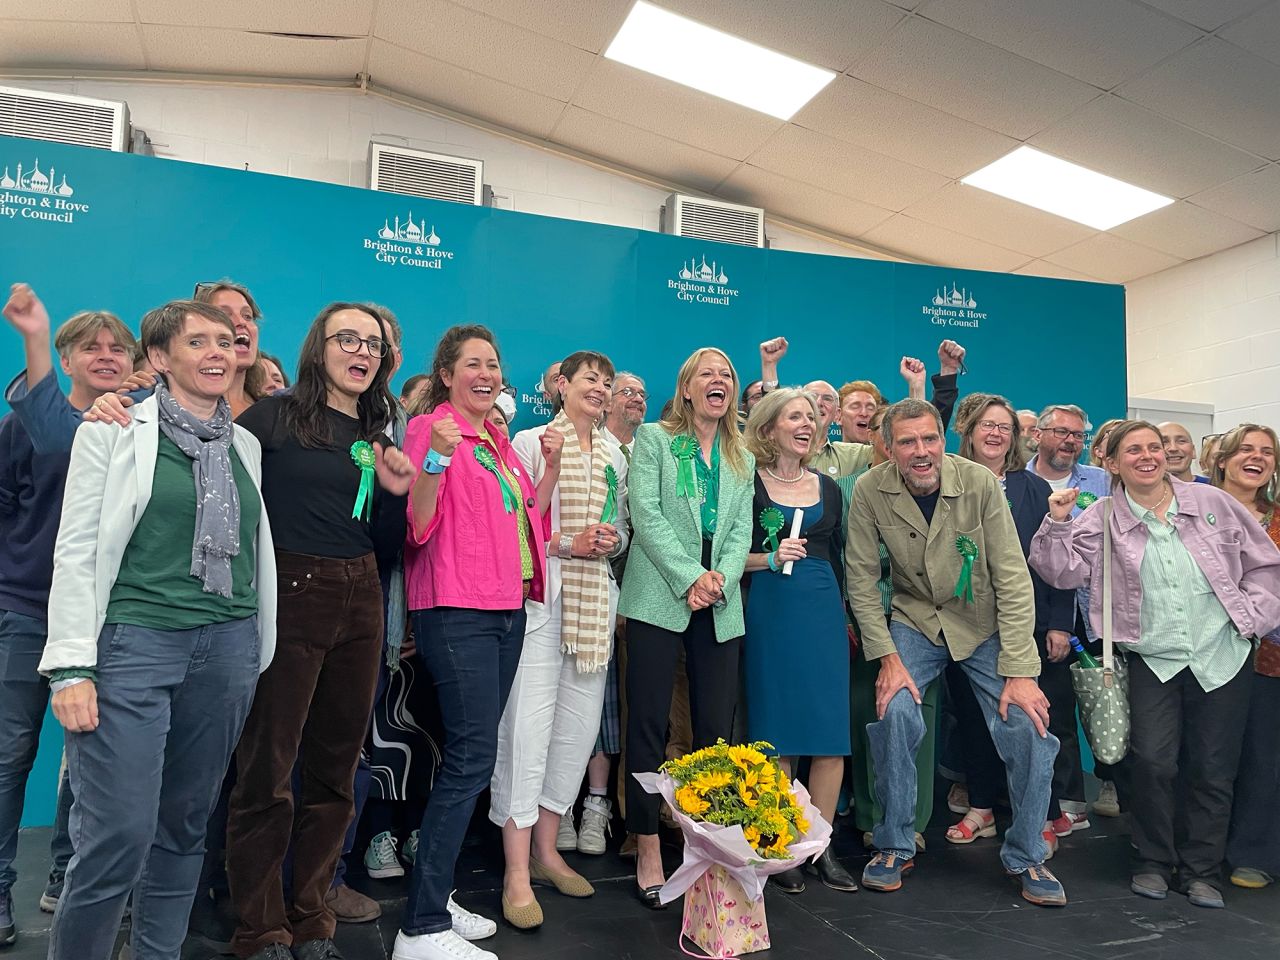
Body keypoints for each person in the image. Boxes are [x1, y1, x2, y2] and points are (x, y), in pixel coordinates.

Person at [38, 299, 277, 959]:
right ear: (161, 359)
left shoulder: (247, 444)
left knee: (183, 829)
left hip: (228, 648)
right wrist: (70, 667)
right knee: (117, 833)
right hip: (134, 647)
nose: (215, 353)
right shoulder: (111, 430)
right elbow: (78, 550)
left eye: (224, 341)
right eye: (195, 341)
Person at [224, 303, 415, 960]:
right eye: (348, 339)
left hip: (363, 599)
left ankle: (311, 916)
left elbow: (386, 544)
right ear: (320, 347)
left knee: (336, 769)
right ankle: (259, 925)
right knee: (269, 768)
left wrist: (399, 492)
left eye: (374, 343)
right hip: (290, 594)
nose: (361, 351)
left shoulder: (377, 433)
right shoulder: (273, 416)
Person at [1030, 420, 1280, 909]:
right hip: (1151, 660)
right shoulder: (1100, 514)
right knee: (1152, 764)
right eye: (1133, 450)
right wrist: (1058, 521)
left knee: (1212, 768)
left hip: (1222, 655)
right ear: (1112, 462)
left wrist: (1250, 619)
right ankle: (1152, 861)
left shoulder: (1214, 504)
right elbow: (1060, 572)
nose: (1147, 457)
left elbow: (1266, 566)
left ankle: (1202, 869)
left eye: (1154, 448)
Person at [846, 398, 1065, 907]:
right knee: (895, 711)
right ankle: (894, 843)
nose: (920, 451)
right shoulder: (869, 491)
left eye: (928, 439)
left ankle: (1027, 853)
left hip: (983, 622)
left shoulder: (980, 482)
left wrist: (1020, 671)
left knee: (1030, 725)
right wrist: (887, 659)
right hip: (915, 619)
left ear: (942, 438)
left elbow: (1011, 576)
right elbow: (860, 579)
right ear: (888, 446)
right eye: (907, 442)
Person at [395, 324, 548, 960]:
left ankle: (437, 896)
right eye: (473, 364)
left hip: (505, 609)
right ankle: (420, 927)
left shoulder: (497, 441)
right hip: (456, 610)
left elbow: (523, 521)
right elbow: (418, 522)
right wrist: (434, 455)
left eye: (494, 364)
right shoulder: (429, 429)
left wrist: (554, 472)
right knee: (469, 759)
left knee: (468, 760)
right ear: (448, 373)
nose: (486, 374)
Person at [0, 285, 136, 947]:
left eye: (118, 348)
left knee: (91, 758)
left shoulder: (138, 424)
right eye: (92, 347)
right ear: (67, 358)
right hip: (27, 609)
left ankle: (65, 875)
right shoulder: (30, 420)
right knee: (11, 754)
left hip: (104, 616)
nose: (106, 357)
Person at [489, 351, 629, 929]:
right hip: (542, 607)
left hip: (595, 611)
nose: (599, 388)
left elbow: (620, 530)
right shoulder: (529, 442)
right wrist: (572, 545)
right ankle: (516, 872)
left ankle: (548, 853)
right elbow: (516, 525)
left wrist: (609, 541)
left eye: (607, 382)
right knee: (526, 732)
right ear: (560, 386)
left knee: (574, 734)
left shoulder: (618, 452)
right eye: (588, 379)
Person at [618, 347, 755, 908]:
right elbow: (645, 515)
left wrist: (716, 577)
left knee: (715, 731)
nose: (718, 382)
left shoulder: (741, 453)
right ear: (687, 389)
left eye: (726, 375)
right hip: (660, 597)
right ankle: (647, 841)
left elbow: (742, 526)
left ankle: (707, 847)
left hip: (720, 600)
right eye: (708, 374)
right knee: (647, 723)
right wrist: (688, 577)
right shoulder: (653, 439)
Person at [945, 395, 1080, 854]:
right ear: (969, 431)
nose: (996, 433)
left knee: (1034, 722)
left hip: (1029, 625)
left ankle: (1040, 813)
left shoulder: (1035, 488)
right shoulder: (949, 482)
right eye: (986, 425)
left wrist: (1060, 623)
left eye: (1005, 426)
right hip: (965, 625)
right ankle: (982, 806)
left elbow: (1057, 562)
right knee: (974, 721)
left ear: (1017, 437)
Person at [741, 388, 856, 893]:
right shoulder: (746, 483)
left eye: (812, 417)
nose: (808, 423)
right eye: (795, 416)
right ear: (769, 429)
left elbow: (843, 557)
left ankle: (821, 846)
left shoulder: (830, 488)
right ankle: (779, 844)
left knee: (829, 732)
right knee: (777, 730)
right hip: (769, 609)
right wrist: (766, 557)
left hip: (822, 611)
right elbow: (723, 558)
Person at [560, 371, 647, 858]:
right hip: (563, 590)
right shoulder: (549, 443)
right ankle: (561, 810)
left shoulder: (637, 454)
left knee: (606, 709)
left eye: (640, 394)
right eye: (623, 391)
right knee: (561, 708)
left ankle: (596, 806)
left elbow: (630, 525)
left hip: (618, 595)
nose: (632, 399)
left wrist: (616, 551)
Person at [1027, 403, 1117, 819]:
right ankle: (1066, 799)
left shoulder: (1101, 481)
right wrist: (1057, 623)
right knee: (1056, 704)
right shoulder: (1023, 483)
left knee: (1109, 701)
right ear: (1038, 434)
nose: (1069, 441)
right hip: (1046, 611)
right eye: (1061, 432)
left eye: (1078, 435)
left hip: (1100, 609)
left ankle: (1115, 785)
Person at [1213, 424, 1280, 889]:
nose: (1256, 458)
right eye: (1246, 450)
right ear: (1223, 458)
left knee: (1263, 757)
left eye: (1267, 452)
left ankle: (1253, 853)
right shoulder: (1195, 509)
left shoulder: (1278, 517)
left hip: (1268, 660)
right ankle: (1202, 849)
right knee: (1210, 757)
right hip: (1205, 654)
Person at [758, 336, 962, 479]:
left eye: (827, 398)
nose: (818, 403)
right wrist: (769, 367)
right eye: (811, 398)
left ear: (836, 413)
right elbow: (770, 417)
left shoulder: (857, 454)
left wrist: (917, 386)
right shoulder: (781, 447)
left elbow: (915, 432)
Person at [194, 280, 264, 419]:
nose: (241, 322)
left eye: (247, 316)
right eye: (224, 315)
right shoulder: (166, 407)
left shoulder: (277, 411)